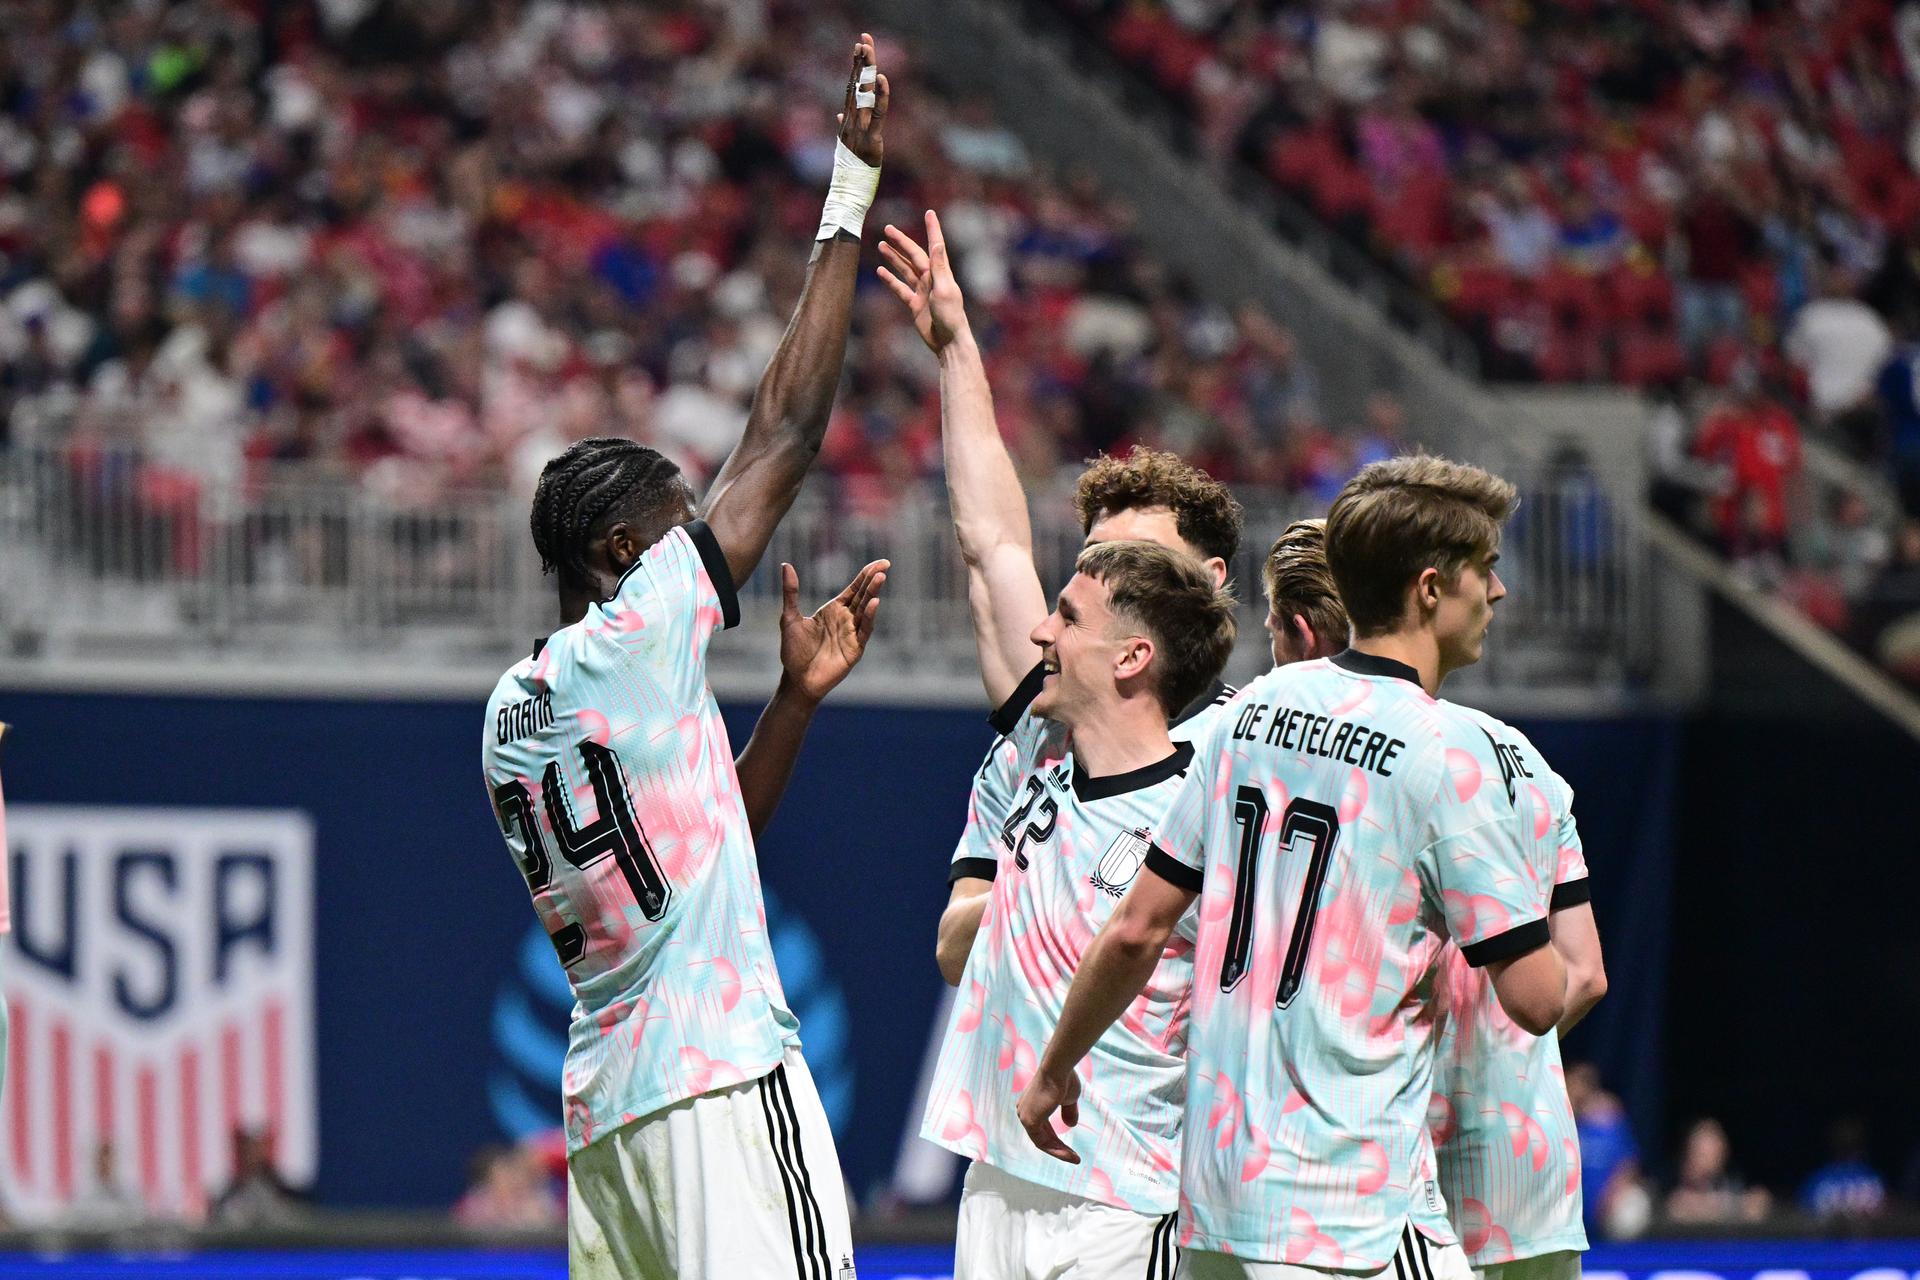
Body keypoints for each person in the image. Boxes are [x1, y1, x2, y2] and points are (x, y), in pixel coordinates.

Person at [479, 37, 891, 1280]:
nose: (693, 545)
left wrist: (796, 703)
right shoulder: (638, 629)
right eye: (671, 528)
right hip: (719, 1077)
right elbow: (784, 435)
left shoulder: (509, 710)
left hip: (613, 1110)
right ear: (620, 547)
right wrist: (851, 196)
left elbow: (701, 843)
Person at [1020, 455, 1569, 1280]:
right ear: (1429, 589)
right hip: (1351, 1213)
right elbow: (1536, 999)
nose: (1495, 593)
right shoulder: (1453, 757)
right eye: (1484, 571)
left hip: (1219, 1205)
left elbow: (1136, 928)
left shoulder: (1253, 714)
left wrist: (1055, 1067)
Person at [921, 541, 1237, 1279]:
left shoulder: (1201, 815)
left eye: (1067, 618)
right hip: (997, 1174)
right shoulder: (1039, 780)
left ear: (1131, 658)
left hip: (1121, 1199)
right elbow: (951, 954)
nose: (1041, 635)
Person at [1663, 1119, 1770, 1225]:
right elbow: (1680, 1208)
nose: (1710, 1159)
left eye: (1714, 1152)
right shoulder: (1671, 1186)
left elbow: (1756, 1206)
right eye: (1702, 1153)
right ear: (1689, 1152)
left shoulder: (1731, 1183)